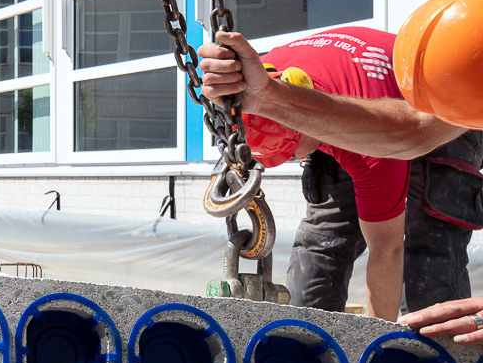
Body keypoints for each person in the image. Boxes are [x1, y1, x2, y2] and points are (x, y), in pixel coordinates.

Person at [200, 27, 483, 337]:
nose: (295, 160)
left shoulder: (372, 156)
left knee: (430, 260)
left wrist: (379, 344)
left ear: (302, 128)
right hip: (332, 100)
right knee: (322, 246)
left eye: (293, 153)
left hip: (445, 105)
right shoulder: (255, 82)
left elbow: (386, 250)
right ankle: (305, 351)